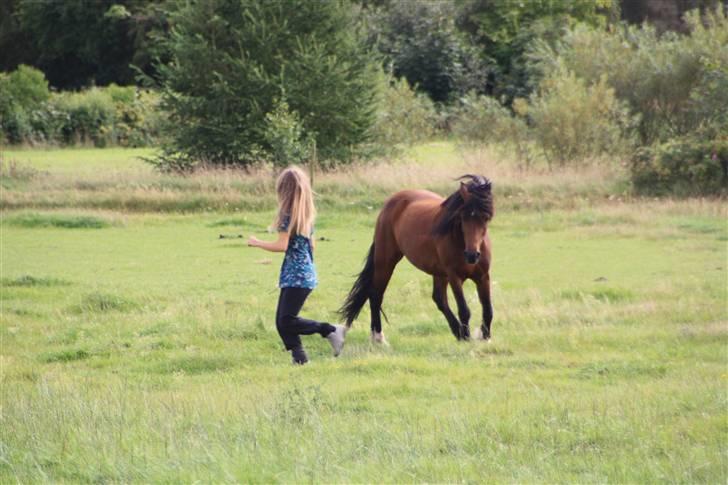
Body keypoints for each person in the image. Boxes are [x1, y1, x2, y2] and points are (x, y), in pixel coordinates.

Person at [248, 166, 346, 364]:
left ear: (283, 190)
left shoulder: (288, 216)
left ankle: (331, 330)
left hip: (297, 276)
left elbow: (281, 246)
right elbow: (312, 246)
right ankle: (299, 359)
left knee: (286, 321)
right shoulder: (306, 215)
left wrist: (257, 243)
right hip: (304, 274)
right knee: (282, 321)